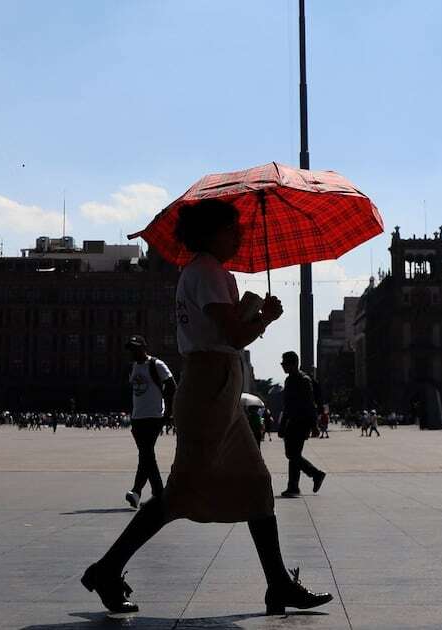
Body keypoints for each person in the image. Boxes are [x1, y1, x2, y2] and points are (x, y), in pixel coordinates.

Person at [81, 198, 331, 615]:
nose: (239, 235)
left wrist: (250, 315)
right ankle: (106, 569)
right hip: (209, 387)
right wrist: (264, 317)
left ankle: (279, 584)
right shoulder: (209, 272)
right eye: (232, 229)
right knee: (178, 494)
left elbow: (224, 331)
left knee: (256, 484)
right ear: (211, 232)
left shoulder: (201, 272)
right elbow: (233, 336)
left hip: (217, 387)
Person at [124, 334, 175, 510]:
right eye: (130, 349)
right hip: (138, 417)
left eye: (135, 348)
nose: (132, 352)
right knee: (146, 455)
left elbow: (171, 386)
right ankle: (149, 493)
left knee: (146, 453)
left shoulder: (156, 365)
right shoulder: (133, 368)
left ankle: (150, 492)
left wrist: (168, 411)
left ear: (144, 348)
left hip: (154, 416)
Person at [279, 351, 326, 498]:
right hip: (292, 421)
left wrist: (314, 425)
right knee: (293, 455)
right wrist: (282, 424)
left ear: (293, 363)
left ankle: (315, 474)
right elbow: (287, 405)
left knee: (292, 454)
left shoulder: (304, 380)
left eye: (284, 363)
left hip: (302, 422)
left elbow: (310, 404)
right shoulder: (289, 380)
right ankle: (293, 486)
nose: (282, 366)